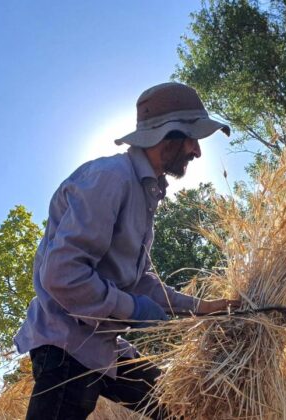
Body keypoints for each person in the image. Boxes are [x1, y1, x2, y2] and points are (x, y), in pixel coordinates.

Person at [14, 82, 236, 420]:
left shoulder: (145, 190)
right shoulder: (110, 178)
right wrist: (131, 308)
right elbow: (62, 275)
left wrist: (203, 308)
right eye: (192, 139)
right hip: (65, 344)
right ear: (169, 134)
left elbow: (139, 280)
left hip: (104, 343)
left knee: (176, 406)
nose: (196, 151)